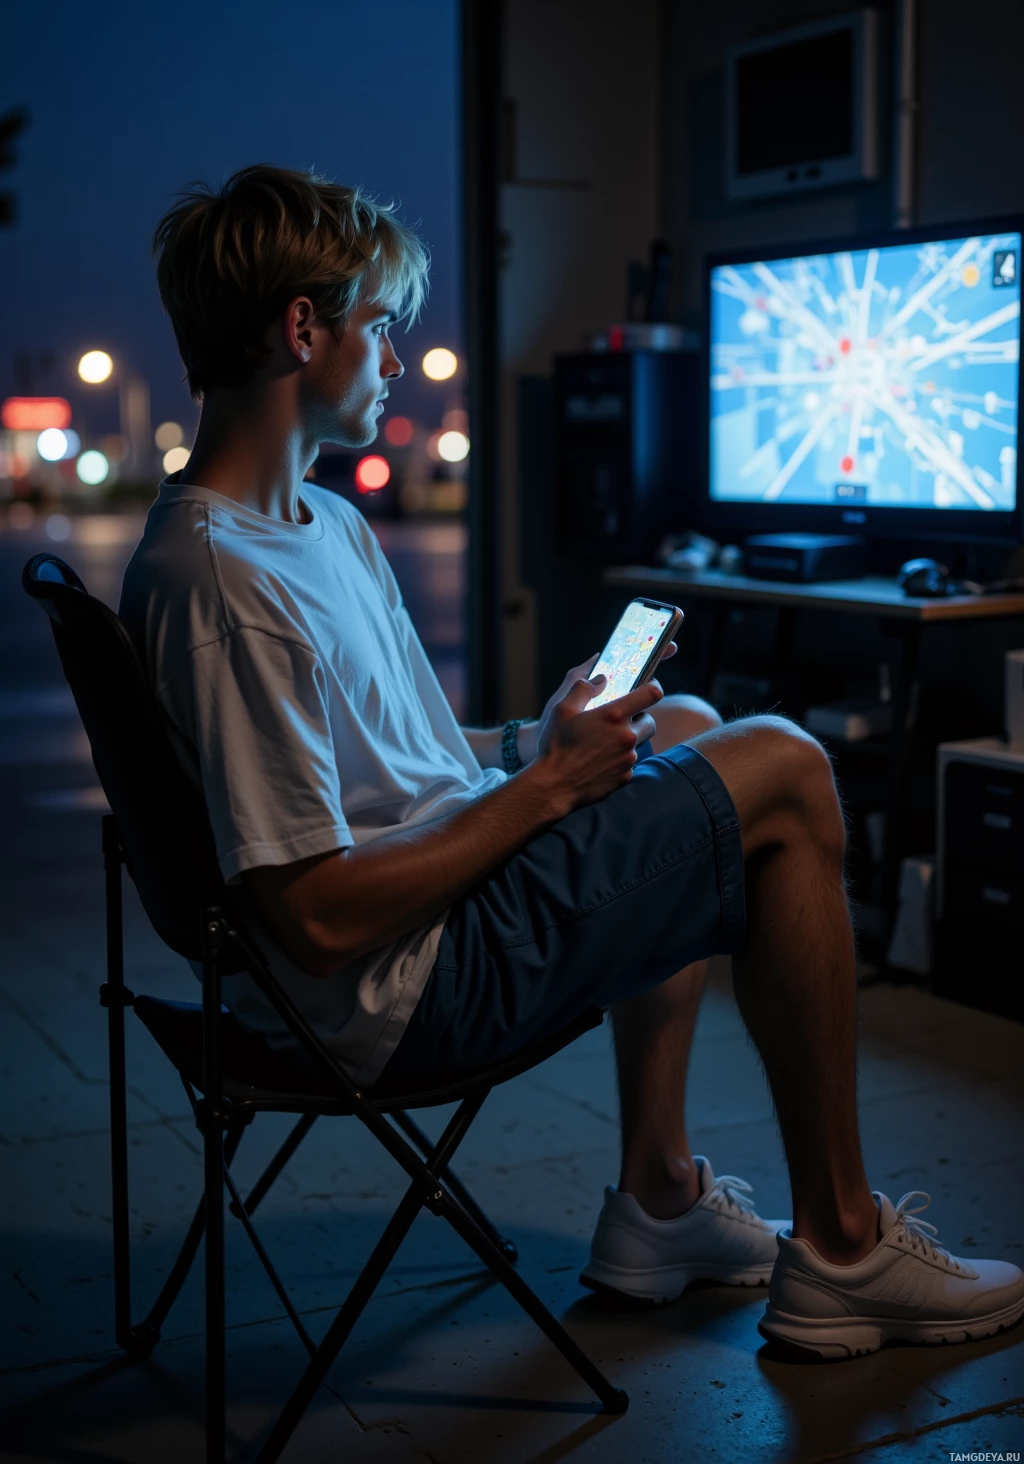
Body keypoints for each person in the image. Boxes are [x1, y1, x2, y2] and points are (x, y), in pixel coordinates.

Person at [120, 164, 1023, 1360]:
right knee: (789, 768)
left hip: (429, 926)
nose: (393, 357)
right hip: (404, 990)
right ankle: (846, 1251)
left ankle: (655, 1198)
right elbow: (319, 918)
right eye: (381, 325)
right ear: (303, 329)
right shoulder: (223, 580)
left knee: (685, 721)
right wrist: (548, 789)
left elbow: (407, 764)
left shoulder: (317, 524)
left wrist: (530, 748)